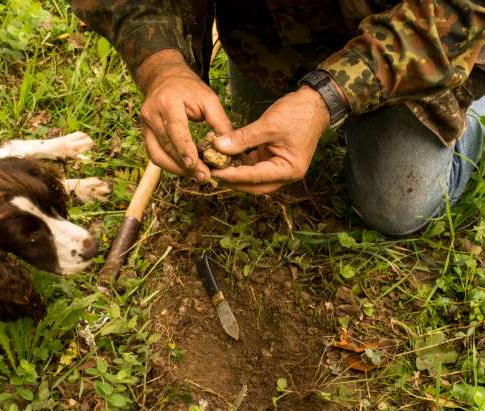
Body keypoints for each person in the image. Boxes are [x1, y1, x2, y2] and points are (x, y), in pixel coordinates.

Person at [70, 0, 485, 235]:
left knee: (394, 210)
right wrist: (161, 66)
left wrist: (325, 99)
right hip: (275, 20)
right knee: (253, 122)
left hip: (424, 29)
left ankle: (475, 113)